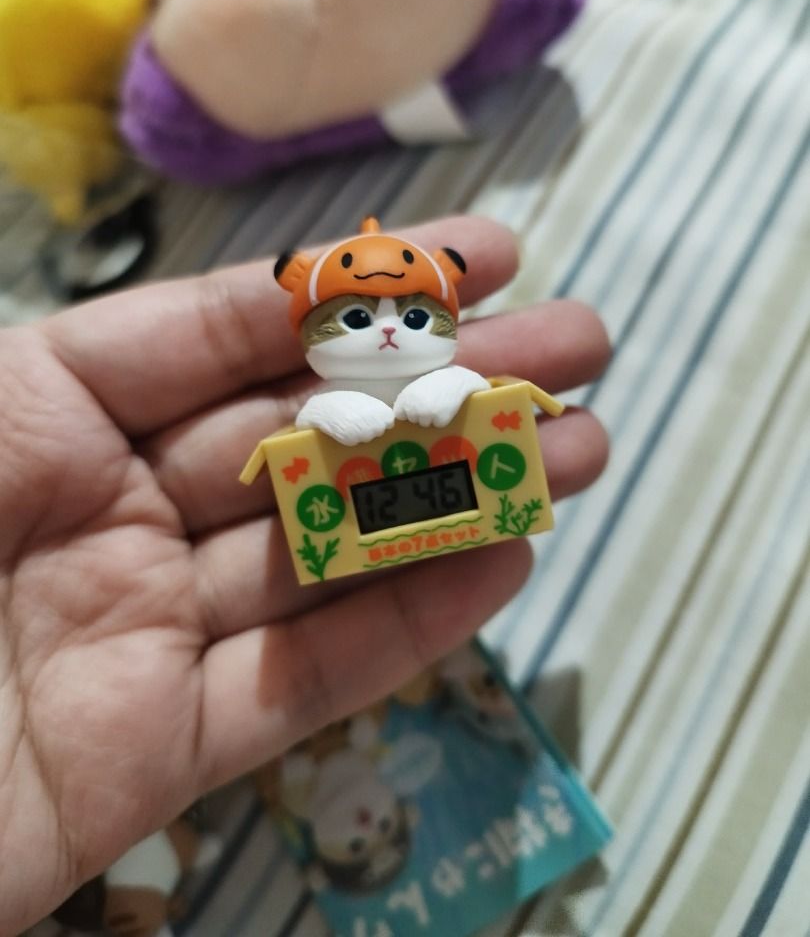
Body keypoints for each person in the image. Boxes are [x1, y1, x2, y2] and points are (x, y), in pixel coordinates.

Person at [0, 216, 610, 933]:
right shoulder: (325, 404)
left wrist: (454, 392)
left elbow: (471, 409)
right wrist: (335, 413)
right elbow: (314, 440)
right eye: (355, 318)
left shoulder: (454, 382)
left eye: (416, 317)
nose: (389, 334)